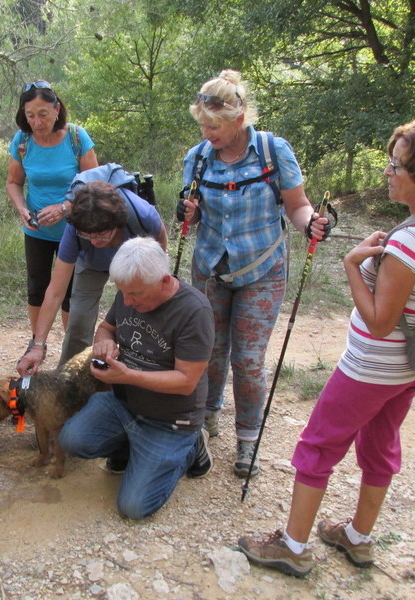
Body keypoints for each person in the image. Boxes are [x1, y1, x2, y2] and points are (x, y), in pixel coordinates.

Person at [238, 116, 415, 577]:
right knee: (381, 442)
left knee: (317, 447)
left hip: (372, 367)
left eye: (396, 165)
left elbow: (380, 319)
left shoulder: (410, 242)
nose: (387, 172)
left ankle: (293, 546)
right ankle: (358, 537)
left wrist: (353, 263)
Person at [179, 69, 328, 478]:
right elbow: (189, 213)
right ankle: (207, 416)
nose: (207, 133)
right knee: (209, 350)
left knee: (247, 360)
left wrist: (311, 222)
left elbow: (297, 206)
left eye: (215, 126)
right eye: (203, 125)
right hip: (210, 267)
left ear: (239, 119)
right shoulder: (198, 158)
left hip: (262, 268)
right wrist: (186, 213)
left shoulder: (272, 151)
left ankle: (248, 440)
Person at [58, 237, 215, 520]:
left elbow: (186, 381)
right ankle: (129, 445)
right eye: (123, 293)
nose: (127, 301)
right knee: (71, 440)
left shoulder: (194, 311)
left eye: (136, 295)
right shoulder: (129, 290)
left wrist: (128, 375)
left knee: (133, 508)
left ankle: (192, 447)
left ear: (165, 281)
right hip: (124, 403)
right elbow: (106, 328)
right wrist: (102, 342)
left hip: (171, 421)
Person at [16, 180, 167, 375]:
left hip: (134, 263)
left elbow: (160, 249)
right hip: (91, 265)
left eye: (102, 235)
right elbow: (55, 292)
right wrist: (38, 346)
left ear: (117, 223)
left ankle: (138, 371)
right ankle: (69, 379)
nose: (95, 241)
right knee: (78, 320)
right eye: (88, 236)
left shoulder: (143, 215)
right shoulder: (75, 230)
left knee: (139, 314)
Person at [6, 80, 99, 342]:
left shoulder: (76, 137)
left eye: (43, 114)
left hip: (74, 227)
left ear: (57, 110)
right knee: (37, 288)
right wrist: (22, 208)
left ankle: (71, 347)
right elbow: (13, 182)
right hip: (36, 230)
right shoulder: (23, 141)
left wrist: (64, 207)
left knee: (71, 290)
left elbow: (94, 184)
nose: (37, 122)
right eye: (30, 116)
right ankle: (38, 343)